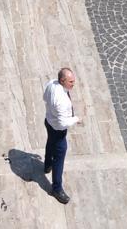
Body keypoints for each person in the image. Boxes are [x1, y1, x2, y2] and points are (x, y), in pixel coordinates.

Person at [42, 69, 80, 204]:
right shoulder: (62, 102)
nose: (73, 84)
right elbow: (63, 123)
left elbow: (44, 97)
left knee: (49, 143)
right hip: (58, 130)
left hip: (49, 122)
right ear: (62, 81)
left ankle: (47, 165)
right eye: (71, 82)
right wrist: (75, 119)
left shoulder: (51, 83)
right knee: (59, 157)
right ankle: (56, 188)